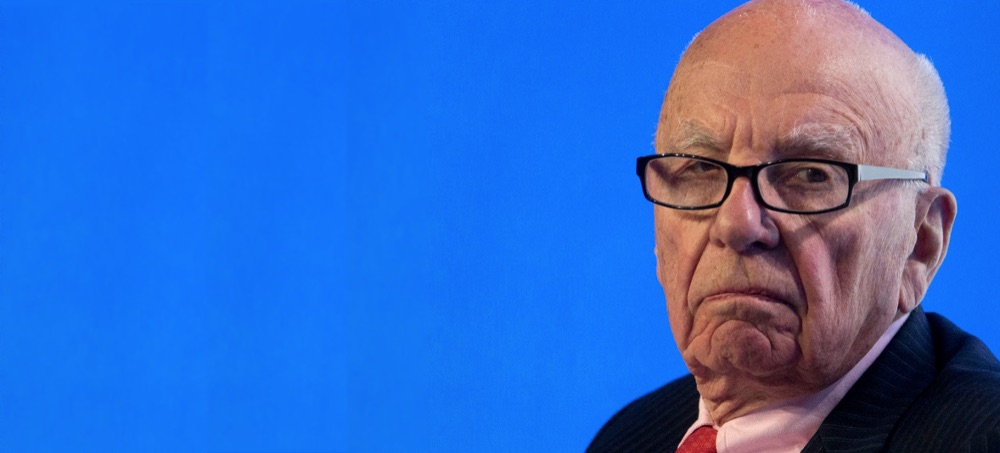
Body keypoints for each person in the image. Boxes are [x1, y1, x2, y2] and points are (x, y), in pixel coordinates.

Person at [588, 1, 1000, 452]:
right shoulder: (631, 437)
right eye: (699, 170)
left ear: (920, 243)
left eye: (810, 175)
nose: (737, 223)